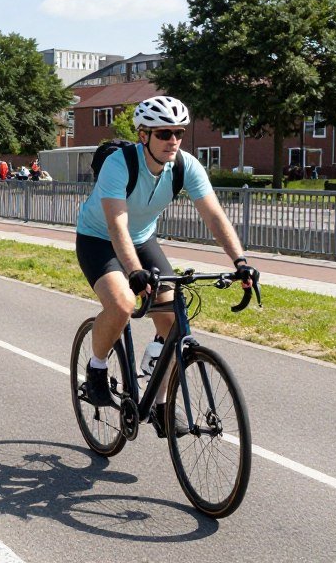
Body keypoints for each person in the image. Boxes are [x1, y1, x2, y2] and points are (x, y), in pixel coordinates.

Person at [75, 96, 256, 435]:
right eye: (163, 133)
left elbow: (214, 215)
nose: (173, 140)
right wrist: (133, 272)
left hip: (142, 239)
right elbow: (116, 224)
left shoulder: (185, 166)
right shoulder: (120, 164)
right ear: (143, 135)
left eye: (178, 133)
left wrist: (240, 261)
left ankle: (160, 405)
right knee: (123, 303)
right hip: (98, 238)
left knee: (173, 319)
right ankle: (96, 368)